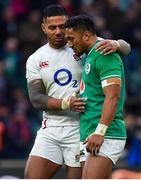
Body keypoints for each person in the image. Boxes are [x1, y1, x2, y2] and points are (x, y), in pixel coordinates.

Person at [24, 4, 131, 179]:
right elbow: (36, 98)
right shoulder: (36, 59)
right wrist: (67, 103)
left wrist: (116, 43)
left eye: (62, 26)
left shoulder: (82, 43)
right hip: (51, 127)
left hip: (80, 126)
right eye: (52, 27)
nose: (59, 32)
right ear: (43, 27)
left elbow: (125, 48)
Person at [65, 15, 127, 179]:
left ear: (86, 35)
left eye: (71, 39)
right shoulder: (89, 56)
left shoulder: (104, 53)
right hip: (89, 133)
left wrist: (100, 132)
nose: (69, 44)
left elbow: (113, 98)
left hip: (105, 133)